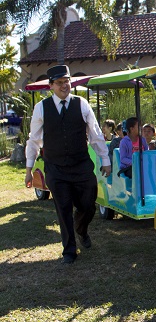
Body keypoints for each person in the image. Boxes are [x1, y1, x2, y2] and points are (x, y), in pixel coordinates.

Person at [24, 65, 111, 264]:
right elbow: (34, 140)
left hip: (81, 165)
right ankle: (69, 250)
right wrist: (29, 170)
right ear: (51, 86)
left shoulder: (81, 104)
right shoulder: (41, 108)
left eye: (67, 81)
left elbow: (96, 134)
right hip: (55, 168)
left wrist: (105, 160)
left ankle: (81, 229)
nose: (65, 86)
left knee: (88, 205)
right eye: (60, 82)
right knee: (63, 208)